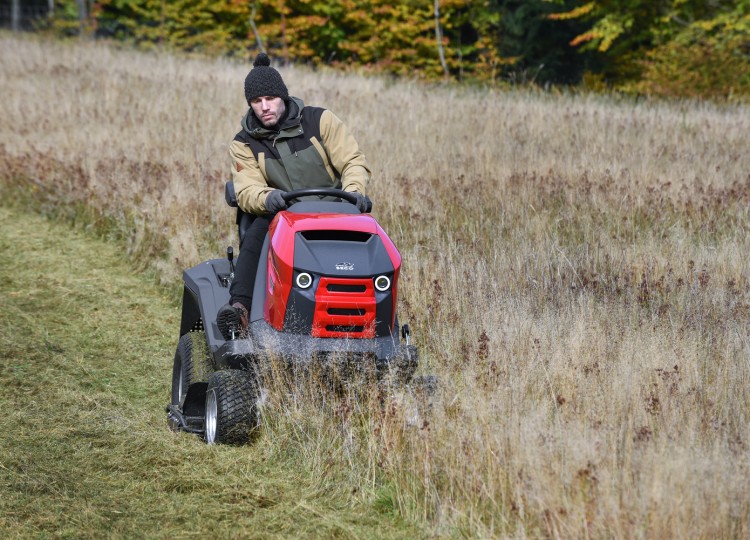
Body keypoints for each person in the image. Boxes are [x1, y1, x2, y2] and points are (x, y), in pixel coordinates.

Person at [217, 52, 372, 340]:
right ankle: (240, 308)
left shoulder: (320, 121)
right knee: (256, 234)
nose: (265, 107)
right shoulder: (244, 143)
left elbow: (352, 161)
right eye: (256, 101)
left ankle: (377, 322)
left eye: (270, 98)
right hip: (282, 215)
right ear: (250, 104)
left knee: (373, 241)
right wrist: (268, 198)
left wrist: (354, 193)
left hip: (337, 210)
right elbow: (247, 189)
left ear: (283, 96)